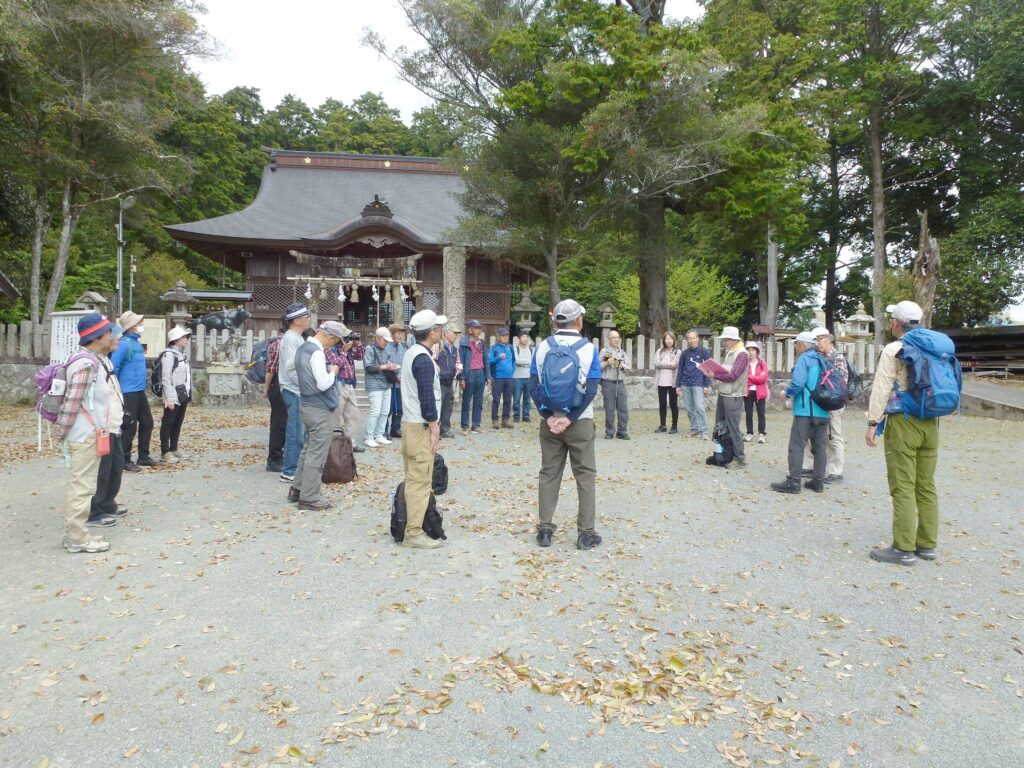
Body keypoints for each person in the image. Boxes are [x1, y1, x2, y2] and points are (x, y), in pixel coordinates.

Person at [865, 301, 939, 566]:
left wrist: (873, 421)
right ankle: (926, 544)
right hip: (931, 421)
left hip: (904, 421)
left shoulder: (894, 349)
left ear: (896, 323)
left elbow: (882, 387)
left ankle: (903, 548)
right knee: (926, 485)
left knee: (903, 485)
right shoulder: (934, 347)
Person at [530, 299, 603, 551]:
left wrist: (548, 416)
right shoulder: (589, 349)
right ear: (579, 321)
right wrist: (570, 418)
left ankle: (545, 529)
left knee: (549, 473)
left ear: (556, 321)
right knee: (585, 475)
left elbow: (533, 385)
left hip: (550, 422)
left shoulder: (543, 347)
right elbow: (591, 388)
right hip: (580, 421)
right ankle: (585, 533)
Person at [54, 313, 119, 553]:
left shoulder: (91, 360)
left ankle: (77, 534)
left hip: (88, 433)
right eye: (108, 332)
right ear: (96, 337)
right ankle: (77, 538)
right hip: (85, 435)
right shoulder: (85, 364)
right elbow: (72, 403)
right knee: (82, 486)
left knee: (84, 485)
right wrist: (61, 433)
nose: (111, 335)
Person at [287, 321, 347, 510]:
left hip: (306, 404)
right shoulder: (317, 352)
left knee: (308, 449)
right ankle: (309, 497)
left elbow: (289, 367)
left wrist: (304, 379)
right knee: (317, 453)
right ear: (331, 337)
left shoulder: (302, 348)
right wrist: (333, 372)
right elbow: (323, 384)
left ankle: (297, 489)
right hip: (319, 407)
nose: (334, 345)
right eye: (336, 341)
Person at [398, 309, 445, 549]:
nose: (441, 330)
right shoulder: (424, 360)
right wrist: (435, 428)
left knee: (413, 478)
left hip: (409, 423)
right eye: (438, 327)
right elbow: (427, 398)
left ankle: (413, 524)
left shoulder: (411, 353)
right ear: (432, 332)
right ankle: (413, 532)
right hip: (421, 425)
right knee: (420, 481)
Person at [770, 331, 828, 493]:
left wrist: (787, 393)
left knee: (796, 445)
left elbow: (798, 383)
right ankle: (818, 482)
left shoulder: (804, 359)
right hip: (823, 409)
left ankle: (794, 481)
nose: (795, 347)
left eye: (796, 344)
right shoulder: (824, 358)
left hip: (805, 409)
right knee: (820, 447)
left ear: (802, 344)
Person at [88, 323, 127, 530]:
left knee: (115, 466)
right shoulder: (91, 362)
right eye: (113, 335)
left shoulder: (105, 359)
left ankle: (107, 502)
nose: (117, 339)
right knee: (101, 471)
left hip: (113, 423)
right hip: (102, 426)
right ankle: (94, 511)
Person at [111, 311, 157, 469]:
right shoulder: (124, 344)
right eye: (138, 323)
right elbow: (114, 368)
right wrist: (116, 391)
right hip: (127, 392)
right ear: (130, 327)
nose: (141, 325)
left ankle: (144, 456)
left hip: (138, 391)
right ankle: (124, 459)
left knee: (147, 422)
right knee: (129, 425)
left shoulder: (136, 343)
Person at [803, 327, 848, 483]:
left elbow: (841, 383)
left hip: (833, 403)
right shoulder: (817, 356)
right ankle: (810, 466)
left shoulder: (837, 357)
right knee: (813, 434)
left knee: (833, 435)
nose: (817, 343)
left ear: (829, 339)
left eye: (820, 339)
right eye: (815, 340)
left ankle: (836, 471)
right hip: (819, 401)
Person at [277, 303, 311, 483]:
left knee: (300, 431)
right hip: (294, 389)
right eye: (306, 317)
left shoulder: (297, 338)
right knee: (295, 432)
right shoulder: (291, 339)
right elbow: (292, 369)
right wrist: (307, 385)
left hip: (298, 389)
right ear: (297, 320)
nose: (308, 319)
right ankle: (289, 470)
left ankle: (296, 468)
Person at [708, 327, 749, 466]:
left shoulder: (741, 354)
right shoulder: (731, 352)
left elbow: (733, 375)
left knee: (733, 427)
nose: (724, 342)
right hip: (724, 392)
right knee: (720, 426)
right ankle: (721, 454)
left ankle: (739, 457)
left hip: (734, 394)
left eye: (726, 339)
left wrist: (715, 375)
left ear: (733, 340)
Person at [158, 326, 193, 464]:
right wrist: (170, 398)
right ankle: (165, 451)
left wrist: (188, 394)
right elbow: (166, 377)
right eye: (183, 337)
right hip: (172, 394)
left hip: (182, 394)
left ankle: (174, 448)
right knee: (168, 422)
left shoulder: (181, 355)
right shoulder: (168, 355)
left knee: (178, 422)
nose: (185, 339)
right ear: (175, 339)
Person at [324, 332, 364, 452]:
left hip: (350, 384)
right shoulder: (330, 349)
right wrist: (344, 351)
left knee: (353, 415)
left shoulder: (349, 349)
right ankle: (336, 446)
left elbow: (360, 357)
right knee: (337, 417)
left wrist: (358, 344)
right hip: (338, 384)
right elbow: (337, 365)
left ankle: (349, 443)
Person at [363, 327, 398, 447]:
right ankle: (368, 436)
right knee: (375, 411)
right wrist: (386, 367)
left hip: (386, 384)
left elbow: (387, 364)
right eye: (385, 340)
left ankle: (379, 435)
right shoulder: (369, 349)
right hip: (374, 385)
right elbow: (368, 367)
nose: (386, 343)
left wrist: (392, 366)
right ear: (378, 338)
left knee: (385, 411)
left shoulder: (386, 350)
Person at [676, 331, 711, 438]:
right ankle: (694, 429)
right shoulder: (684, 353)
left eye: (694, 338)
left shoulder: (704, 352)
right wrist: (678, 385)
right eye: (690, 338)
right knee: (690, 408)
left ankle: (704, 431)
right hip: (686, 383)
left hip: (698, 383)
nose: (692, 340)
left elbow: (708, 369)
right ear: (687, 340)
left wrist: (706, 385)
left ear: (697, 339)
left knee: (699, 407)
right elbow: (680, 369)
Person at [459, 319, 490, 433]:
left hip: (480, 373)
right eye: (476, 328)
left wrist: (488, 376)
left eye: (479, 328)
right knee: (466, 401)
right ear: (470, 330)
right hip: (469, 374)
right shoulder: (464, 343)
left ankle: (476, 425)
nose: (478, 330)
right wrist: (462, 377)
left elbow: (486, 360)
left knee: (479, 401)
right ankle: (465, 426)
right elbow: (460, 361)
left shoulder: (482, 343)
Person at [598, 331, 629, 439]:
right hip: (608, 383)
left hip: (620, 383)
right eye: (614, 337)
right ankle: (609, 431)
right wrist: (606, 363)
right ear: (609, 340)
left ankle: (622, 431)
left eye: (617, 337)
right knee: (609, 408)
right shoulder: (604, 351)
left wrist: (622, 365)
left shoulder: (622, 352)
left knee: (623, 408)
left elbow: (628, 367)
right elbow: (597, 367)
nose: (616, 339)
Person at [263, 329, 286, 473]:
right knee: (279, 422)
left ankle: (280, 455)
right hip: (278, 384)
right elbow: (271, 368)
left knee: (284, 422)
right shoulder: (279, 343)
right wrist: (266, 388)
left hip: (283, 384)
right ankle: (274, 458)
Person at [654, 332, 682, 433]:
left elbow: (676, 364)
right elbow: (656, 363)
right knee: (662, 403)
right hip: (661, 381)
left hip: (673, 381)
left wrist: (664, 364)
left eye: (671, 339)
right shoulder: (659, 351)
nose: (669, 341)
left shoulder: (677, 352)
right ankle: (663, 425)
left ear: (674, 340)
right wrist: (669, 364)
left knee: (673, 403)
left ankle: (674, 426)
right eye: (667, 339)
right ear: (664, 340)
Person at [488, 327, 516, 428]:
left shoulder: (510, 347)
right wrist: (498, 358)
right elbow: (489, 361)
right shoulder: (494, 348)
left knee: (508, 400)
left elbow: (513, 360)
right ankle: (495, 420)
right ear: (498, 337)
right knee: (496, 399)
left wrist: (512, 370)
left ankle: (505, 420)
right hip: (498, 377)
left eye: (506, 335)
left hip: (509, 377)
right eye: (503, 336)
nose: (505, 337)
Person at [743, 341, 770, 443]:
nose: (750, 352)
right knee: (748, 413)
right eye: (748, 350)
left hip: (760, 392)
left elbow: (763, 379)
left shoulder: (762, 363)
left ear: (757, 352)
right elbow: (743, 378)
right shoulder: (744, 364)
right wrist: (756, 379)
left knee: (761, 413)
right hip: (748, 391)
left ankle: (762, 434)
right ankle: (749, 433)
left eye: (753, 350)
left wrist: (750, 377)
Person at [437, 325, 461, 437]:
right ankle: (435, 430)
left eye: (456, 334)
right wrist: (440, 372)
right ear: (446, 333)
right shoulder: (438, 346)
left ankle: (445, 429)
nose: (455, 336)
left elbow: (458, 362)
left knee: (448, 406)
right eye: (453, 333)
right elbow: (432, 360)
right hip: (439, 381)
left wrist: (458, 368)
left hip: (450, 381)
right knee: (438, 406)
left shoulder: (455, 349)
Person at [385, 323, 407, 439]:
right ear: (392, 334)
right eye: (398, 333)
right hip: (388, 382)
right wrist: (395, 375)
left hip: (400, 383)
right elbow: (385, 363)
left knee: (399, 408)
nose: (400, 335)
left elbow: (404, 363)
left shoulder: (402, 347)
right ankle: (384, 431)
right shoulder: (386, 346)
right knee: (388, 408)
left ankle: (395, 429)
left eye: (401, 333)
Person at [512, 331, 533, 424]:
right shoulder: (515, 349)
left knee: (527, 399)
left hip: (528, 377)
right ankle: (516, 415)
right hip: (517, 377)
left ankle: (526, 415)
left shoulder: (531, 350)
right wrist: (528, 362)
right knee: (516, 398)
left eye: (526, 337)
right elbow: (517, 361)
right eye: (523, 337)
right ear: (519, 339)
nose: (525, 339)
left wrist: (524, 362)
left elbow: (533, 362)